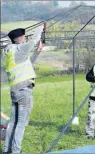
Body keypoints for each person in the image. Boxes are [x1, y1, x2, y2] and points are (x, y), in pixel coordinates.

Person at [3, 24, 44, 153]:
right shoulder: (19, 49)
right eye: (23, 36)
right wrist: (41, 27)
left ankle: (7, 150)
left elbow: (28, 64)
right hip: (24, 90)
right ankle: (16, 151)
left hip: (15, 91)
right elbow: (35, 39)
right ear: (18, 38)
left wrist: (37, 52)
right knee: (21, 123)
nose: (24, 38)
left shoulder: (10, 51)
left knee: (13, 122)